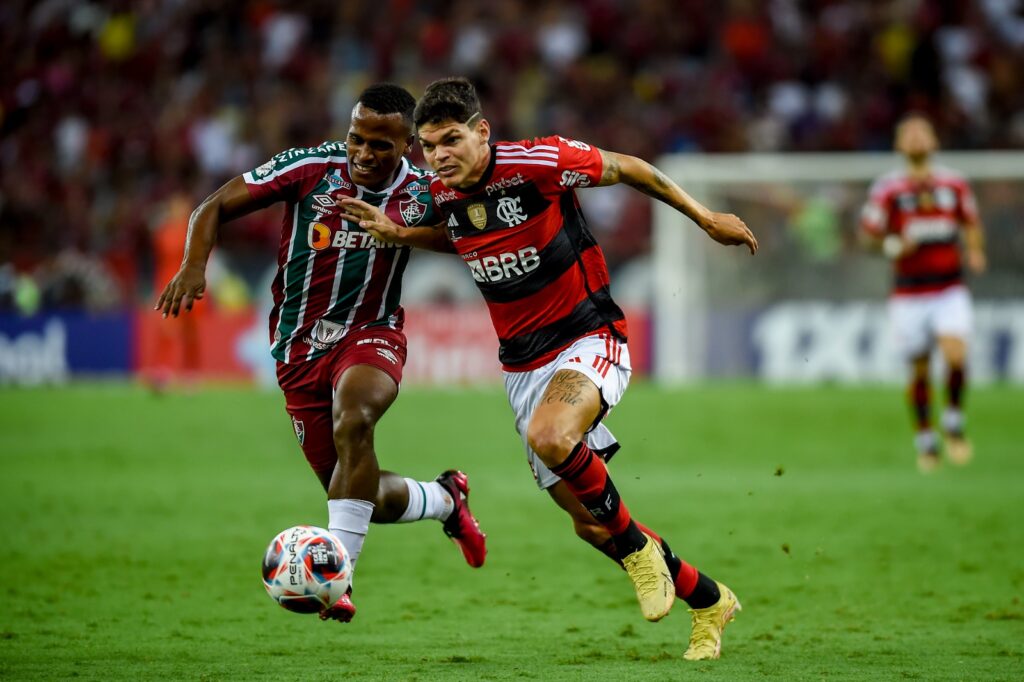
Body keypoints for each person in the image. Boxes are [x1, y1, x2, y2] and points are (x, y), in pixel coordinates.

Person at [342, 77, 757, 661]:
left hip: (588, 336)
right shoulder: (439, 190)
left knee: (552, 436)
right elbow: (461, 234)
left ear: (482, 131)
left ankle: (639, 553)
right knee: (592, 525)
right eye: (428, 146)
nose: (438, 155)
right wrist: (400, 232)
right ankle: (710, 601)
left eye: (451, 140)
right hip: (522, 367)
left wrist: (704, 215)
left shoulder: (538, 162)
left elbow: (630, 167)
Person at [155, 83, 487, 623]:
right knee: (362, 497)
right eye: (357, 138)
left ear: (406, 145)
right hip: (297, 349)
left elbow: (476, 236)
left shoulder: (427, 190)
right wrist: (194, 264)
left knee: (354, 420)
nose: (363, 153)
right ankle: (447, 498)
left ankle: (340, 577)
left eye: (381, 145)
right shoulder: (311, 167)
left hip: (372, 333)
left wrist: (402, 233)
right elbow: (212, 206)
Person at [861, 113, 986, 472]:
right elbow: (868, 236)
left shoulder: (955, 185)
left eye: (922, 132)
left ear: (934, 141)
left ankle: (954, 422)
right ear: (899, 145)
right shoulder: (887, 190)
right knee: (918, 371)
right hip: (909, 293)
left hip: (949, 287)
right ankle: (927, 441)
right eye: (909, 134)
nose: (916, 139)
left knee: (956, 356)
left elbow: (971, 224)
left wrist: (976, 250)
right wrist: (892, 247)